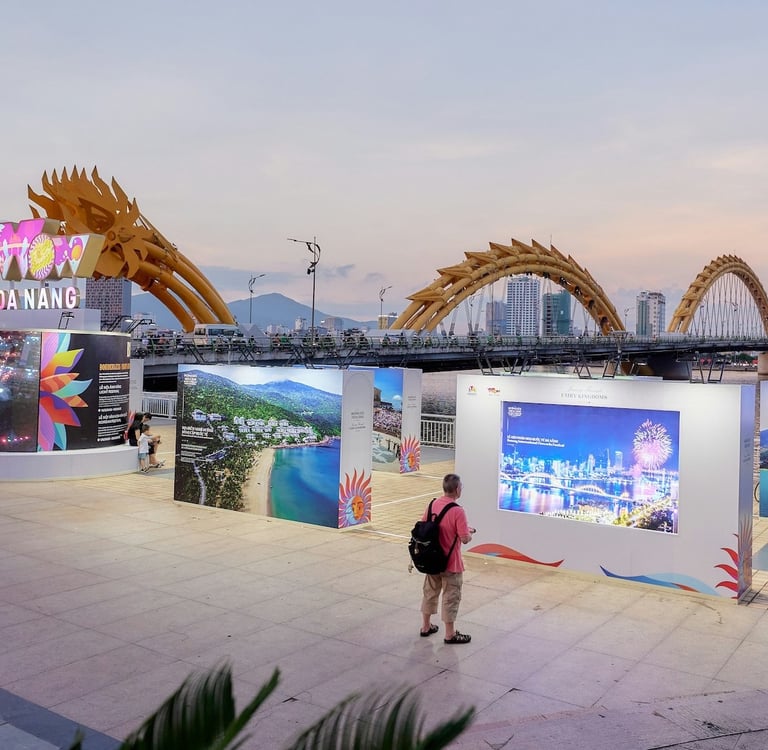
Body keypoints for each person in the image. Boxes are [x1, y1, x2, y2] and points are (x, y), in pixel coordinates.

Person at [419, 473, 476, 644]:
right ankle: (450, 634)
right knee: (451, 596)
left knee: (430, 592)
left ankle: (426, 626)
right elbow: (464, 538)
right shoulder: (458, 511)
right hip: (451, 563)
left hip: (431, 560)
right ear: (457, 489)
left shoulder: (432, 504)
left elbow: (423, 526)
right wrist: (469, 532)